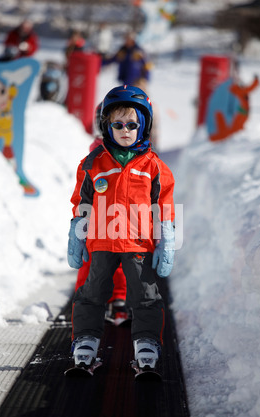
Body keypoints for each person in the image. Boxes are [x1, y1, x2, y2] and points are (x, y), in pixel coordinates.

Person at [67, 85, 175, 372]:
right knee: (91, 293)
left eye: (132, 124)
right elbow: (82, 202)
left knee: (146, 295)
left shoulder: (154, 167)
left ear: (144, 127)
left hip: (139, 245)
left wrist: (166, 240)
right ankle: (85, 341)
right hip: (101, 242)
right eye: (118, 124)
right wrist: (77, 233)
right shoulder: (93, 163)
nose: (125, 130)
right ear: (107, 126)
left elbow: (164, 206)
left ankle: (147, 344)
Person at [74, 102, 130, 326]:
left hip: (108, 219)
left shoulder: (105, 153)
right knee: (114, 262)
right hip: (109, 219)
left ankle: (102, 301)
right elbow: (83, 191)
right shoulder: (97, 156)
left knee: (101, 264)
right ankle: (113, 300)